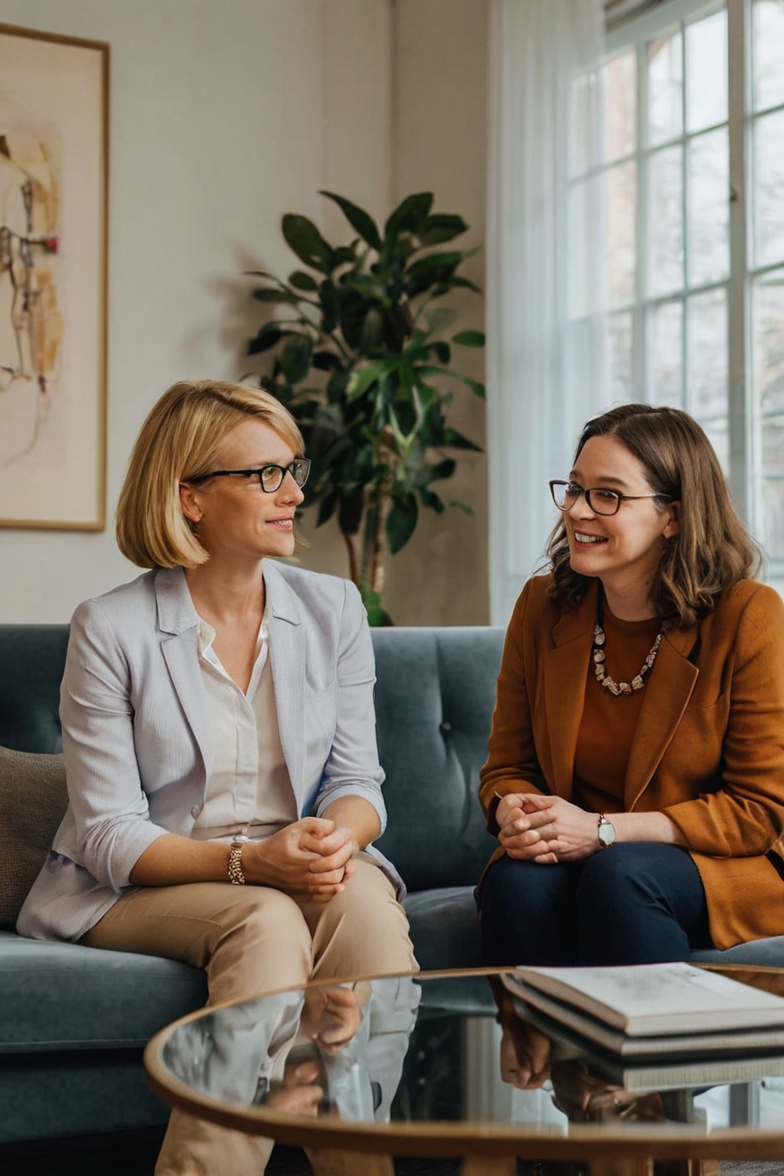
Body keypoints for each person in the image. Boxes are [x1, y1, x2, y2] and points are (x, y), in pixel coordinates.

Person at [17, 379, 417, 1175]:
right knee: (264, 923)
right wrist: (253, 865)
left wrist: (326, 845)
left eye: (294, 469)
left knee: (368, 921)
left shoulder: (334, 609)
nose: (295, 493)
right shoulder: (112, 628)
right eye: (265, 474)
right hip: (151, 879)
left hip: (296, 861)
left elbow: (358, 781)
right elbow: (107, 833)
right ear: (189, 497)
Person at [478, 402, 784, 967]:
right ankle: (539, 1052)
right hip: (583, 851)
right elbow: (506, 766)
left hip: (717, 859)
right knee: (515, 885)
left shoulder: (750, 616)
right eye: (573, 489)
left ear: (673, 515)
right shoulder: (542, 607)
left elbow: (758, 812)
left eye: (608, 495)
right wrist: (515, 813)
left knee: (622, 877)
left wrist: (604, 832)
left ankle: (666, 1056)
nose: (578, 511)